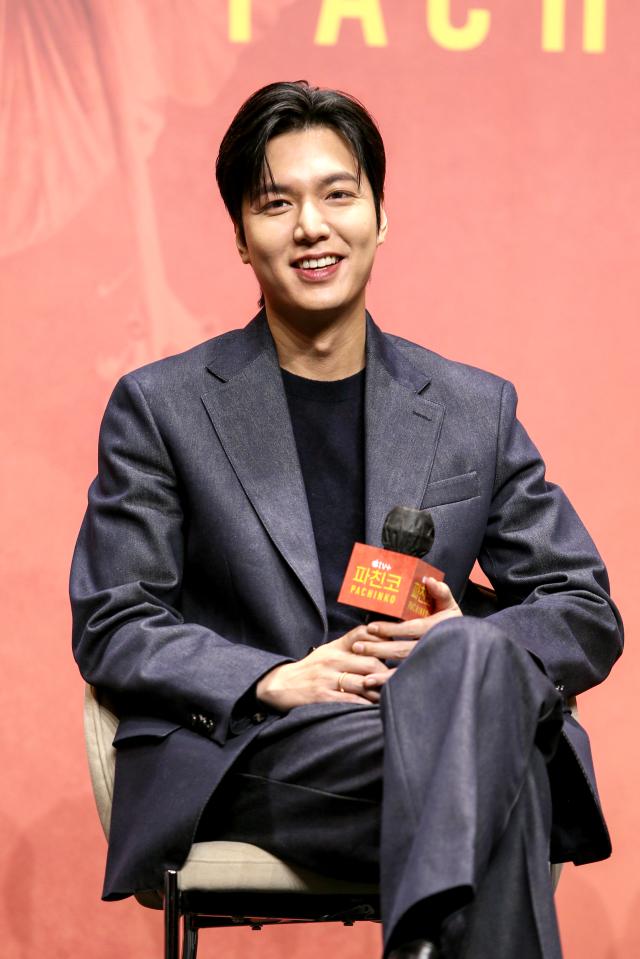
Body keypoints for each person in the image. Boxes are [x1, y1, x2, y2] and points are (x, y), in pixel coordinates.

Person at [70, 81, 623, 959]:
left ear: (380, 214)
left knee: (478, 673)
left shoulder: (471, 408)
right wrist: (271, 678)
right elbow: (114, 618)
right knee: (507, 768)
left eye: (338, 194)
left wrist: (456, 654)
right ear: (241, 238)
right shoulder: (163, 407)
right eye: (277, 203)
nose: (312, 226)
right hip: (263, 753)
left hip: (420, 734)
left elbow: (582, 608)